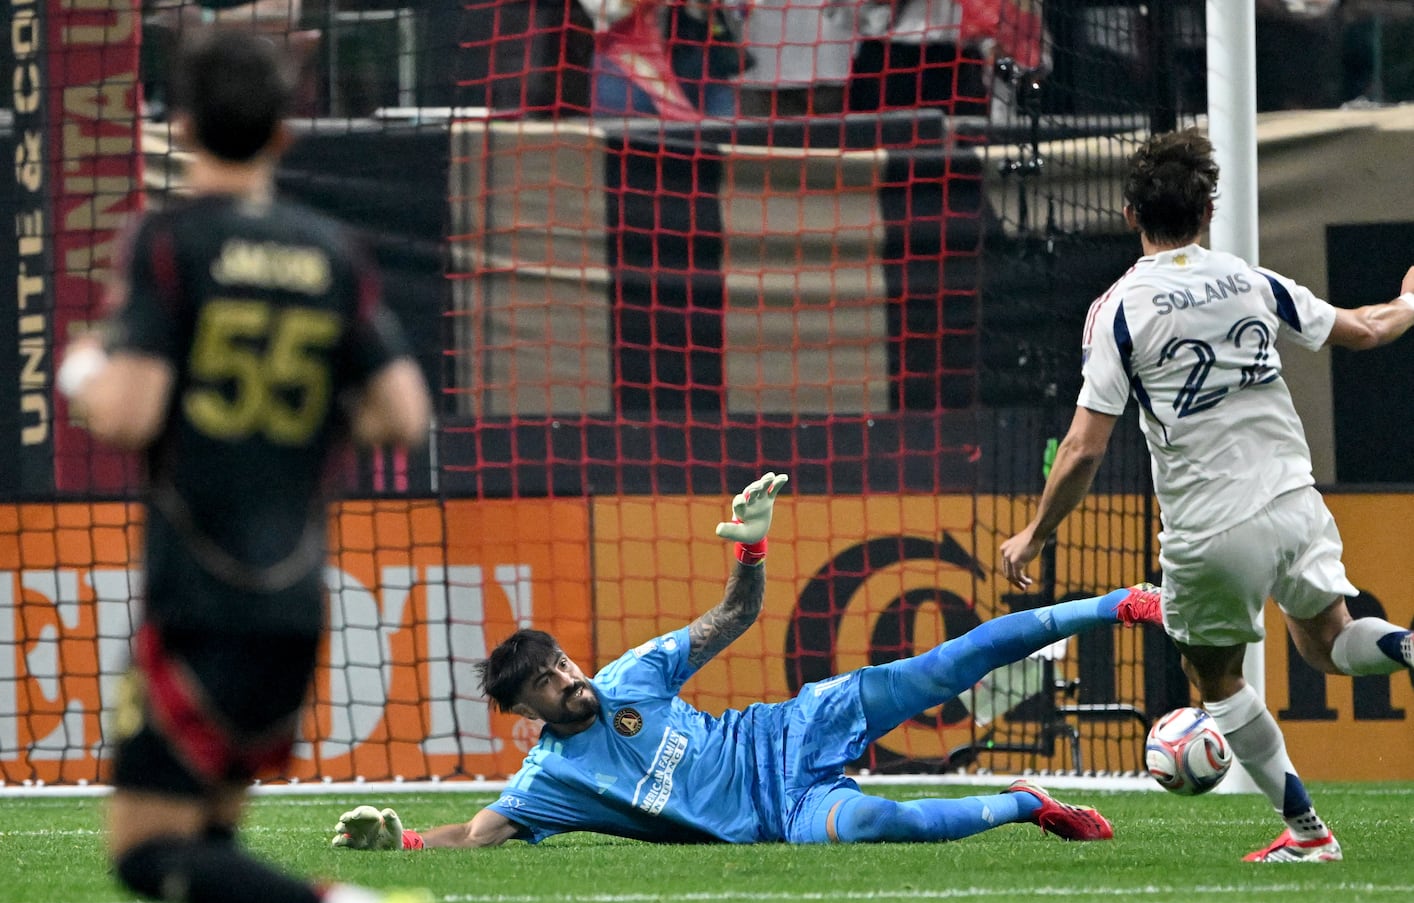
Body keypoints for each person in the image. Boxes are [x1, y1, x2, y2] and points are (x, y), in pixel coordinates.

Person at [57, 27, 437, 903]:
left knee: (145, 852)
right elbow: (401, 416)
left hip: (199, 598)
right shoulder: (331, 252)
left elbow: (132, 412)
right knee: (215, 839)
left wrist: (85, 373)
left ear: (181, 126)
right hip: (296, 601)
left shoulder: (169, 242)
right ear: (283, 131)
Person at [330, 471, 1164, 852]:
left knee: (950, 663)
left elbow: (734, 616)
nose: (564, 679)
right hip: (779, 815)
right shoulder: (550, 783)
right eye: (544, 684)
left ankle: (1117, 603)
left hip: (794, 728)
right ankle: (1023, 804)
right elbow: (476, 834)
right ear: (527, 714)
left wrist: (754, 550)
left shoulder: (634, 672)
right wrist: (401, 842)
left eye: (559, 663)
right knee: (880, 825)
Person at [999, 127, 1414, 863]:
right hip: (1295, 498)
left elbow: (1084, 447)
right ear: (1209, 209)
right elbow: (1363, 330)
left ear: (1130, 214)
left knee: (1212, 677)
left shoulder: (1121, 308)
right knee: (1331, 642)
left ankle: (1309, 834)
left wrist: (1036, 531)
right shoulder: (1252, 280)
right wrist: (1411, 304)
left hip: (1211, 524)